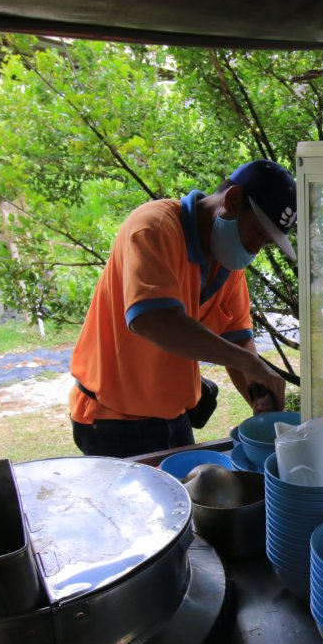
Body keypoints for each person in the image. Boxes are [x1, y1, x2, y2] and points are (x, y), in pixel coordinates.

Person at [69, 160, 293, 458]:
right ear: (232, 200)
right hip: (112, 421)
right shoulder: (154, 227)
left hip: (176, 418)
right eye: (256, 235)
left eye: (265, 244)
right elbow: (153, 320)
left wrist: (259, 395)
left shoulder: (228, 263)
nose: (254, 249)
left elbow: (236, 339)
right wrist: (249, 364)